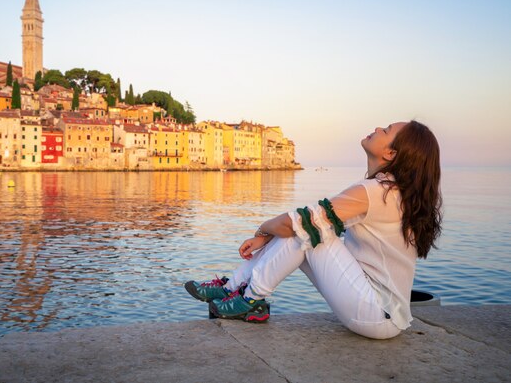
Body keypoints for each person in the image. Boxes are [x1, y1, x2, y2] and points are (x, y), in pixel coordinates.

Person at [185, 120, 442, 339]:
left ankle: (248, 297)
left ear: (391, 154)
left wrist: (262, 231)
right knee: (307, 228)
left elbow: (298, 223)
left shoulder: (376, 192)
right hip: (378, 311)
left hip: (377, 315)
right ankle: (236, 289)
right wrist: (277, 231)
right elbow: (303, 222)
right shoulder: (390, 190)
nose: (377, 127)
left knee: (304, 230)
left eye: (385, 130)